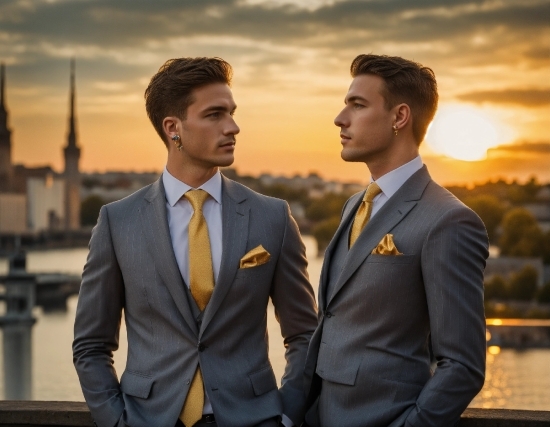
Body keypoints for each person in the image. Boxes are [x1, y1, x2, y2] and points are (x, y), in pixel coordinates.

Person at [73, 57, 317, 427]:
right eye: (215, 115)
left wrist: (286, 414)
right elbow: (91, 346)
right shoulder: (117, 222)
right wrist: (116, 421)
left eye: (232, 113)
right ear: (174, 128)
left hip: (253, 419)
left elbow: (303, 335)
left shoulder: (272, 217)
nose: (233, 127)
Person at [303, 54, 489, 427]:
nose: (340, 118)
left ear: (399, 117)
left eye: (357, 105)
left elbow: (463, 366)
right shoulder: (355, 205)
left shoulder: (449, 220)